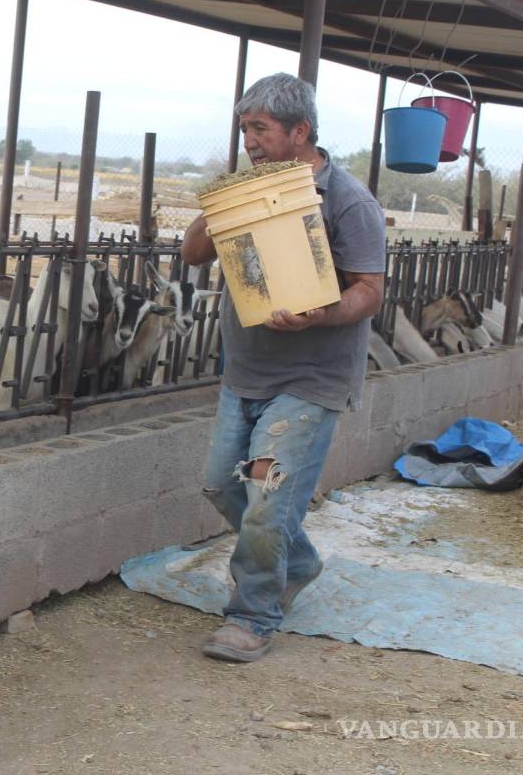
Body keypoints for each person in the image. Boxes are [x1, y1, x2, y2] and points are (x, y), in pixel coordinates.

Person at [181, 72, 386, 662]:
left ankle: (252, 615)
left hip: (308, 383)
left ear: (300, 131)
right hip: (245, 375)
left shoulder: (347, 201)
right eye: (245, 129)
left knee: (266, 497)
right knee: (224, 484)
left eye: (261, 129)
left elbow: (370, 290)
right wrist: (225, 202)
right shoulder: (247, 187)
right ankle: (296, 563)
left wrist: (321, 315)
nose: (250, 141)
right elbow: (192, 254)